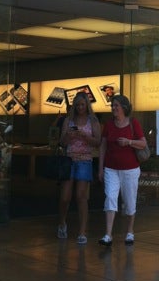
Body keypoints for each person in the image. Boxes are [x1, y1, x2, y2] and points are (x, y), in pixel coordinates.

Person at [98, 94, 147, 246]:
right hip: (111, 169)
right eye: (112, 106)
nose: (113, 108)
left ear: (124, 108)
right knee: (110, 197)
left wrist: (129, 142)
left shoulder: (134, 123)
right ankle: (108, 234)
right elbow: (103, 147)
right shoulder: (109, 125)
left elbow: (143, 144)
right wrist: (100, 168)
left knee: (129, 201)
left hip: (130, 169)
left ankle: (130, 232)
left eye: (116, 106)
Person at [57, 91, 101, 245]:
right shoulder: (68, 120)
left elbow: (97, 142)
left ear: (87, 105)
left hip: (85, 160)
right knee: (65, 197)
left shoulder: (93, 120)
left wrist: (84, 136)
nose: (80, 107)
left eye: (83, 105)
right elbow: (62, 142)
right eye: (78, 105)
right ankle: (62, 222)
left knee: (81, 196)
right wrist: (69, 136)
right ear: (74, 106)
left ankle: (82, 232)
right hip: (69, 159)